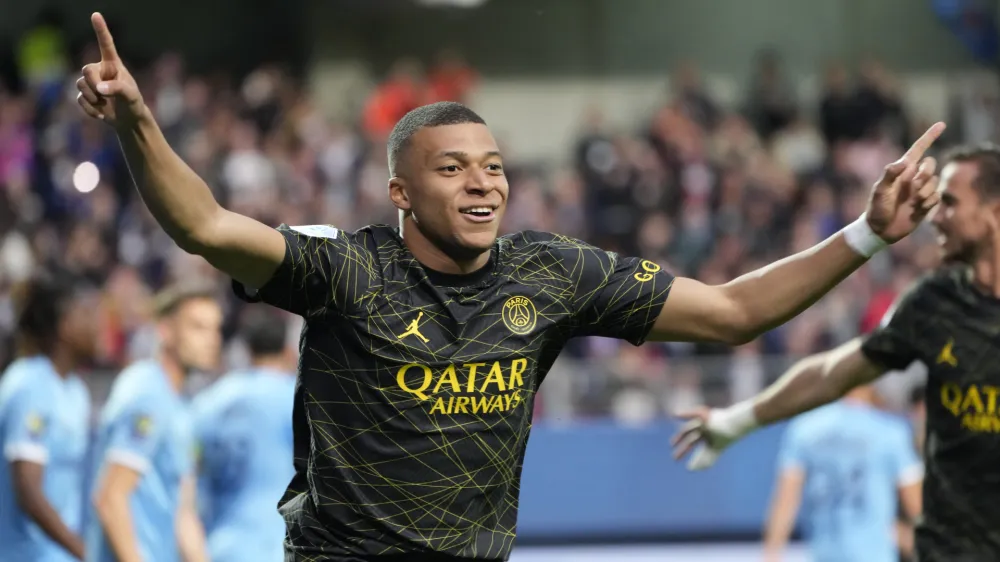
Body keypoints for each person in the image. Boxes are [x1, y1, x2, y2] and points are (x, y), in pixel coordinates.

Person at [76, 12, 943, 561]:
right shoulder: (346, 269)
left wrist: (867, 233)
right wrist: (137, 119)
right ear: (401, 193)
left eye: (493, 167)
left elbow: (732, 312)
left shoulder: (552, 273)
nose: (484, 184)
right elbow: (205, 225)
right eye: (453, 169)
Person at [672, 143, 1000, 562]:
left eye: (950, 203)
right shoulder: (934, 304)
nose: (936, 216)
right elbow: (832, 373)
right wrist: (734, 421)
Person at [86, 284, 221, 562]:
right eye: (198, 327)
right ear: (166, 330)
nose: (212, 339)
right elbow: (111, 499)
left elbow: (183, 513)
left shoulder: (181, 406)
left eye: (215, 329)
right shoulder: (146, 393)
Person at [761, 385, 922, 562]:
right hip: (874, 555)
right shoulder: (891, 431)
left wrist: (771, 555)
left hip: (824, 554)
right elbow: (916, 506)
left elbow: (786, 500)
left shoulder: (805, 428)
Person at [0, 276, 97, 561]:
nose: (98, 326)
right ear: (65, 324)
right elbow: (28, 489)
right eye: (88, 314)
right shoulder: (29, 384)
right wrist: (84, 552)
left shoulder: (76, 391)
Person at [191, 307, 296, 562]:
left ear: (246, 349)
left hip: (219, 545)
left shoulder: (209, 400)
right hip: (275, 546)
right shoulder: (296, 398)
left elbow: (191, 467)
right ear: (287, 350)